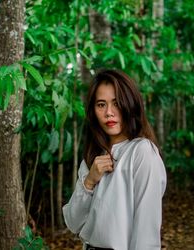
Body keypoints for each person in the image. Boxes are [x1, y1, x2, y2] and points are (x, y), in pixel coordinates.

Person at [62, 69, 167, 250]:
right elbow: (73, 222)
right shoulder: (93, 156)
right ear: (93, 110)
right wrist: (89, 181)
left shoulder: (142, 152)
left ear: (130, 104)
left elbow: (146, 231)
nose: (109, 113)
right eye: (101, 105)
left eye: (117, 103)